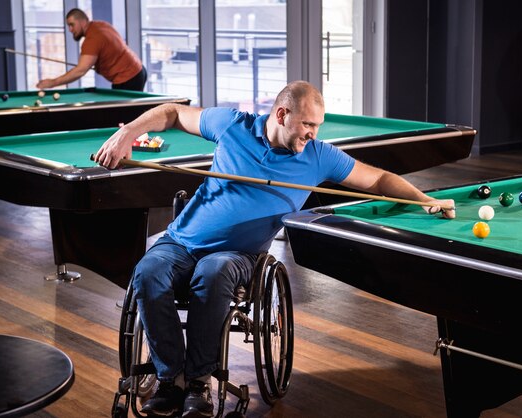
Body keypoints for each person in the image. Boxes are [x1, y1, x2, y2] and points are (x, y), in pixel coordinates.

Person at [94, 80, 456, 417]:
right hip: (181, 240)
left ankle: (199, 382)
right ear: (282, 115)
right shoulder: (233, 125)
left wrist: (424, 200)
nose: (313, 134)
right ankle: (170, 379)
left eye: (318, 126)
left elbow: (376, 178)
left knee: (213, 272)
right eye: (308, 125)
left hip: (236, 256)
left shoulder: (317, 156)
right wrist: (127, 133)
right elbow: (173, 112)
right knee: (147, 272)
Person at [36, 8, 146, 92]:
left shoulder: (92, 40)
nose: (70, 30)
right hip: (139, 70)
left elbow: (80, 70)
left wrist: (52, 83)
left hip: (128, 78)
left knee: (125, 119)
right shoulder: (100, 25)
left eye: (72, 25)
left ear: (82, 22)